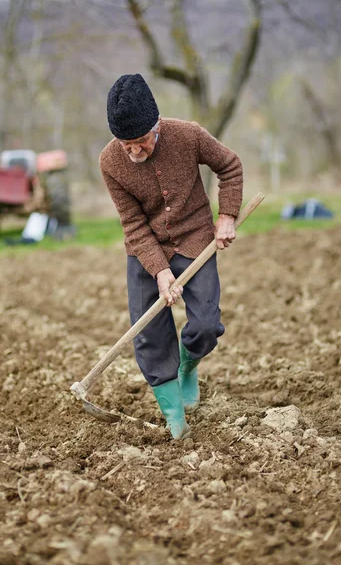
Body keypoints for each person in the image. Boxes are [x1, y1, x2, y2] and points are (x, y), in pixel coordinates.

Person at [100, 73, 243, 440]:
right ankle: (176, 422)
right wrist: (160, 271)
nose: (133, 152)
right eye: (125, 143)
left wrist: (226, 215)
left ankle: (188, 365)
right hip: (145, 249)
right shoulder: (110, 162)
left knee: (207, 325)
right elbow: (132, 224)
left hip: (195, 238)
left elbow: (230, 166)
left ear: (157, 124)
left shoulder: (188, 135)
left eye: (141, 142)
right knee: (149, 336)